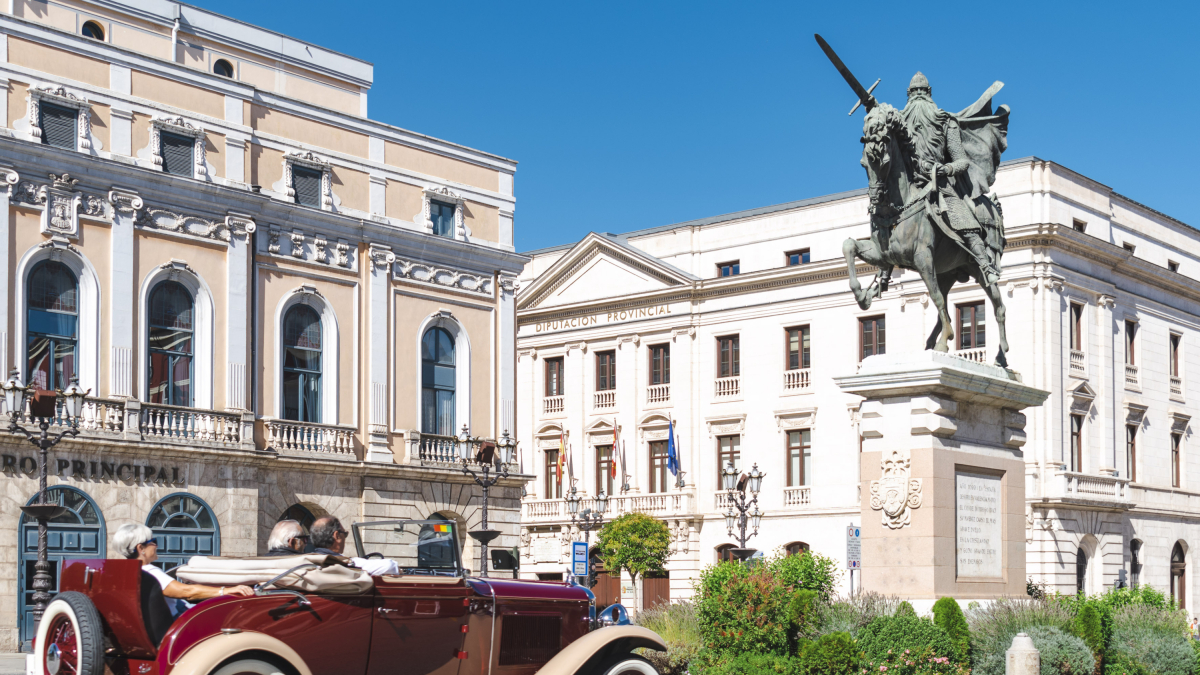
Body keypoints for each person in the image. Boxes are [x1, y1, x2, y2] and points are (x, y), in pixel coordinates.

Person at [900, 71, 1002, 286]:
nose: (918, 96)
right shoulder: (900, 124)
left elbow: (962, 162)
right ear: (908, 96)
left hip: (940, 185)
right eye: (914, 92)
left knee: (962, 218)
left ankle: (984, 263)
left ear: (929, 94)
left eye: (921, 92)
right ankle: (883, 273)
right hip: (909, 186)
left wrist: (944, 169)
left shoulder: (947, 122)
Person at [113, 523, 252, 616]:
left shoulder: (123, 574)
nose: (156, 545)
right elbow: (187, 592)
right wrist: (226, 590)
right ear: (140, 548)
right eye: (153, 541)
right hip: (176, 622)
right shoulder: (149, 572)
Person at [309, 515, 400, 576]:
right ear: (337, 536)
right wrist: (400, 570)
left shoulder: (307, 563)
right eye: (344, 534)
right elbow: (390, 566)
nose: (345, 538)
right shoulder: (349, 563)